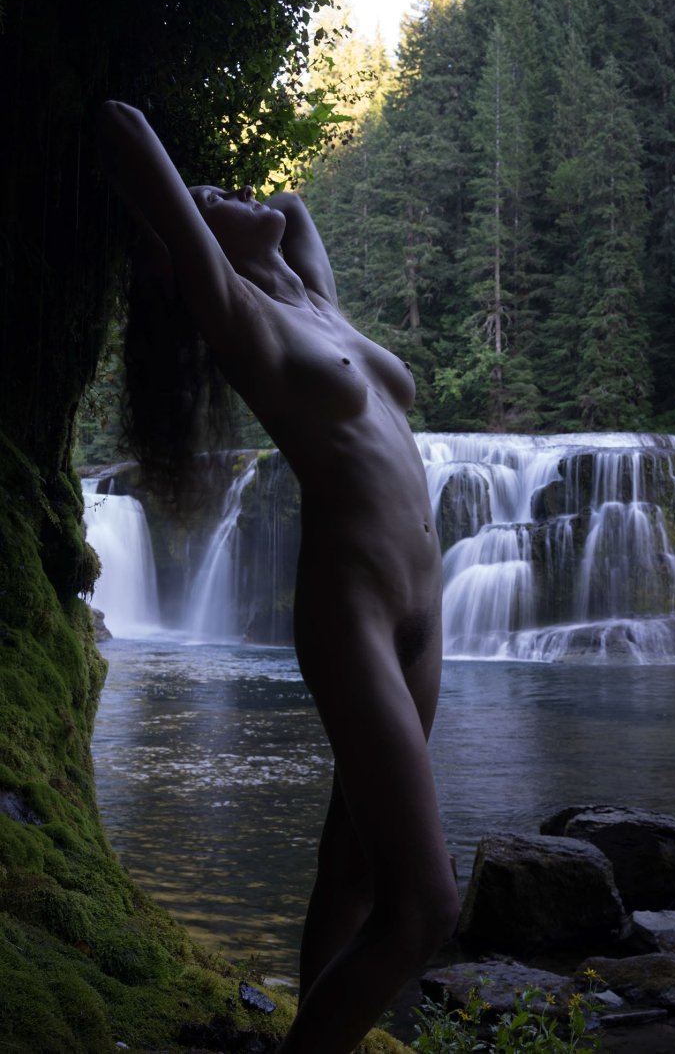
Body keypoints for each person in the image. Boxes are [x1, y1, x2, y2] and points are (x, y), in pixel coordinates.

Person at [100, 100, 460, 1054]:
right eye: (208, 196)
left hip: (427, 611)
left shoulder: (314, 300)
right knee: (425, 904)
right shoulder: (241, 319)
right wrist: (180, 223)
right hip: (356, 609)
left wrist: (242, 217)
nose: (231, 191)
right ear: (193, 256)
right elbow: (123, 124)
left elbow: (294, 206)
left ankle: (315, 1029)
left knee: (353, 869)